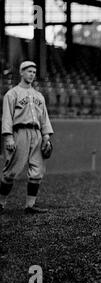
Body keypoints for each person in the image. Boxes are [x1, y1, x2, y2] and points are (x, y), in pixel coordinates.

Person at [0, 61, 54, 214]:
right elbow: (7, 118)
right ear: (21, 72)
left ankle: (30, 206)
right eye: (28, 71)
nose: (32, 74)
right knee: (11, 171)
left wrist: (46, 137)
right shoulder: (12, 94)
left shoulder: (39, 96)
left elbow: (44, 119)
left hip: (36, 133)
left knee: (37, 170)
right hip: (19, 132)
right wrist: (8, 137)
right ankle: (1, 203)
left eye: (34, 72)